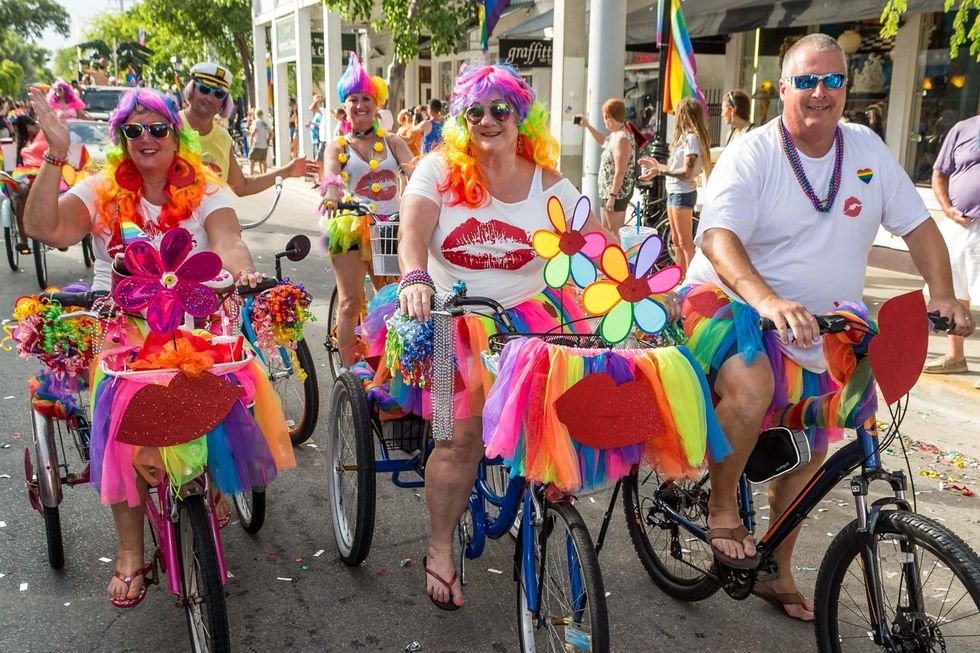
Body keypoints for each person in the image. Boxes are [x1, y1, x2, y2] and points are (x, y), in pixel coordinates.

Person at [675, 33, 973, 621]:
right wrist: (765, 300)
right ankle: (722, 506)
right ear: (783, 87)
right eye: (806, 80)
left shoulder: (863, 148)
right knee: (754, 384)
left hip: (821, 320)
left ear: (846, 88)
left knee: (820, 434)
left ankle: (777, 571)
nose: (820, 92)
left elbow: (919, 227)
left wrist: (943, 293)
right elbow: (717, 236)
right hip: (723, 298)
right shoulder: (754, 152)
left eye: (833, 80)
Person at [23, 86, 296, 606]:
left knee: (226, 383)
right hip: (120, 316)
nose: (146, 138)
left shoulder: (205, 186)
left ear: (176, 134)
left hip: (191, 311)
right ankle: (130, 551)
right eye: (134, 130)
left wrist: (240, 272)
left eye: (157, 128)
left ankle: (209, 480)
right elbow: (43, 227)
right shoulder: (102, 188)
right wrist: (57, 151)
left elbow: (228, 238)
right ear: (122, 139)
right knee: (117, 406)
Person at [390, 63, 613, 611]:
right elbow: (413, 233)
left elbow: (597, 240)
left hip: (533, 318)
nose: (488, 120)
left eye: (501, 110)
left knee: (562, 419)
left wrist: (632, 283)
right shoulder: (437, 170)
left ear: (522, 117)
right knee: (454, 439)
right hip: (447, 321)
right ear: (463, 121)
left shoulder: (549, 182)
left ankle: (546, 495)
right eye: (476, 112)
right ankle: (441, 546)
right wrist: (416, 277)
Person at [319, 53, 416, 366]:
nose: (359, 105)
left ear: (377, 105)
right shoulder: (338, 145)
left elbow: (415, 173)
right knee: (349, 303)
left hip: (389, 228)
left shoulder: (393, 141)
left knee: (393, 300)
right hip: (350, 227)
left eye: (366, 99)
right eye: (353, 99)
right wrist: (333, 194)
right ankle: (350, 378)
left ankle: (389, 366)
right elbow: (331, 175)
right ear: (344, 106)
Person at [181, 62, 305, 194]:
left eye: (218, 94)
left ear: (224, 103)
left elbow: (241, 186)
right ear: (192, 90)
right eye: (204, 89)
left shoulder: (223, 139)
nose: (210, 98)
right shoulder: (171, 127)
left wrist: (287, 171)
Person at [922, 111, 980, 387]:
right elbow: (939, 174)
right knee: (953, 293)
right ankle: (956, 357)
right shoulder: (962, 129)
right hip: (958, 225)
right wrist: (946, 207)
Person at [638, 97, 712, 271]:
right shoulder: (684, 139)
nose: (674, 116)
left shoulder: (692, 139)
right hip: (674, 191)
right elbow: (674, 168)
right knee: (676, 242)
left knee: (685, 242)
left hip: (683, 193)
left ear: (684, 115)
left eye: (677, 113)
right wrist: (656, 167)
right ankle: (679, 278)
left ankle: (690, 280)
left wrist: (661, 170)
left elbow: (686, 172)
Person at [576, 98, 636, 236]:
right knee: (607, 231)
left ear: (610, 117)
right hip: (608, 191)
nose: (604, 121)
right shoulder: (616, 135)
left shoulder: (622, 138)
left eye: (604, 117)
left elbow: (620, 171)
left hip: (616, 193)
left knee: (613, 233)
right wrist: (588, 126)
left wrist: (612, 196)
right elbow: (603, 141)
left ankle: (618, 257)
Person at [249, 108, 272, 174]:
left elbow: (254, 131)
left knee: (251, 158)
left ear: (256, 114)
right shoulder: (265, 123)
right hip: (264, 145)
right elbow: (271, 133)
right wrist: (268, 140)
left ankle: (251, 173)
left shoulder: (256, 122)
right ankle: (264, 174)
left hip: (257, 144)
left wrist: (251, 141)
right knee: (263, 161)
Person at [306, 94, 325, 163]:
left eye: (314, 101)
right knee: (316, 158)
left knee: (318, 160)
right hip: (315, 139)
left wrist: (312, 123)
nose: (313, 102)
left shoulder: (322, 112)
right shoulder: (318, 113)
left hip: (318, 138)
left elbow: (321, 125)